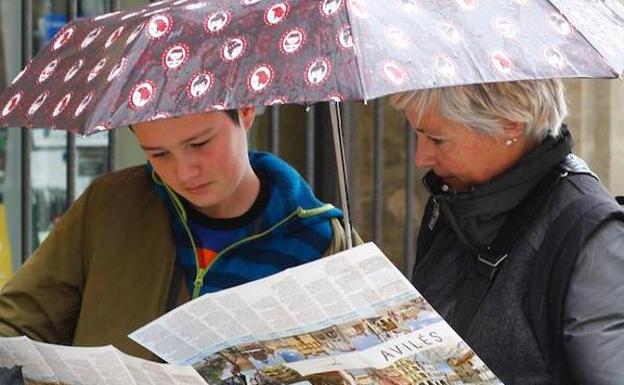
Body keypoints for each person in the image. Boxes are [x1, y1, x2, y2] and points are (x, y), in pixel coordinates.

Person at [0, 107, 356, 359]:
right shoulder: (108, 207)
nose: (185, 173)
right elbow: (16, 325)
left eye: (199, 144)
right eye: (158, 154)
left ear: (245, 111)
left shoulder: (321, 239)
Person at [390, 79, 624, 384]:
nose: (421, 158)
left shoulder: (591, 239)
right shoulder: (454, 201)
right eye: (417, 134)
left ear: (509, 125)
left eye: (437, 139)